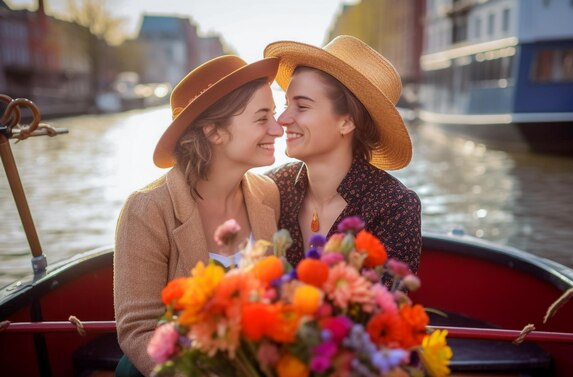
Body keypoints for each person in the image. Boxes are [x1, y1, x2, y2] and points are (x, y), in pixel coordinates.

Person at [113, 55, 283, 376]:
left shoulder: (268, 194)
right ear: (214, 131)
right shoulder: (147, 209)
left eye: (273, 114)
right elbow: (139, 330)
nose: (277, 128)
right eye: (262, 118)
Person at [264, 35, 421, 273]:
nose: (282, 119)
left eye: (302, 106)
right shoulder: (274, 186)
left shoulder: (394, 206)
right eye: (286, 105)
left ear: (346, 122)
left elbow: (385, 305)